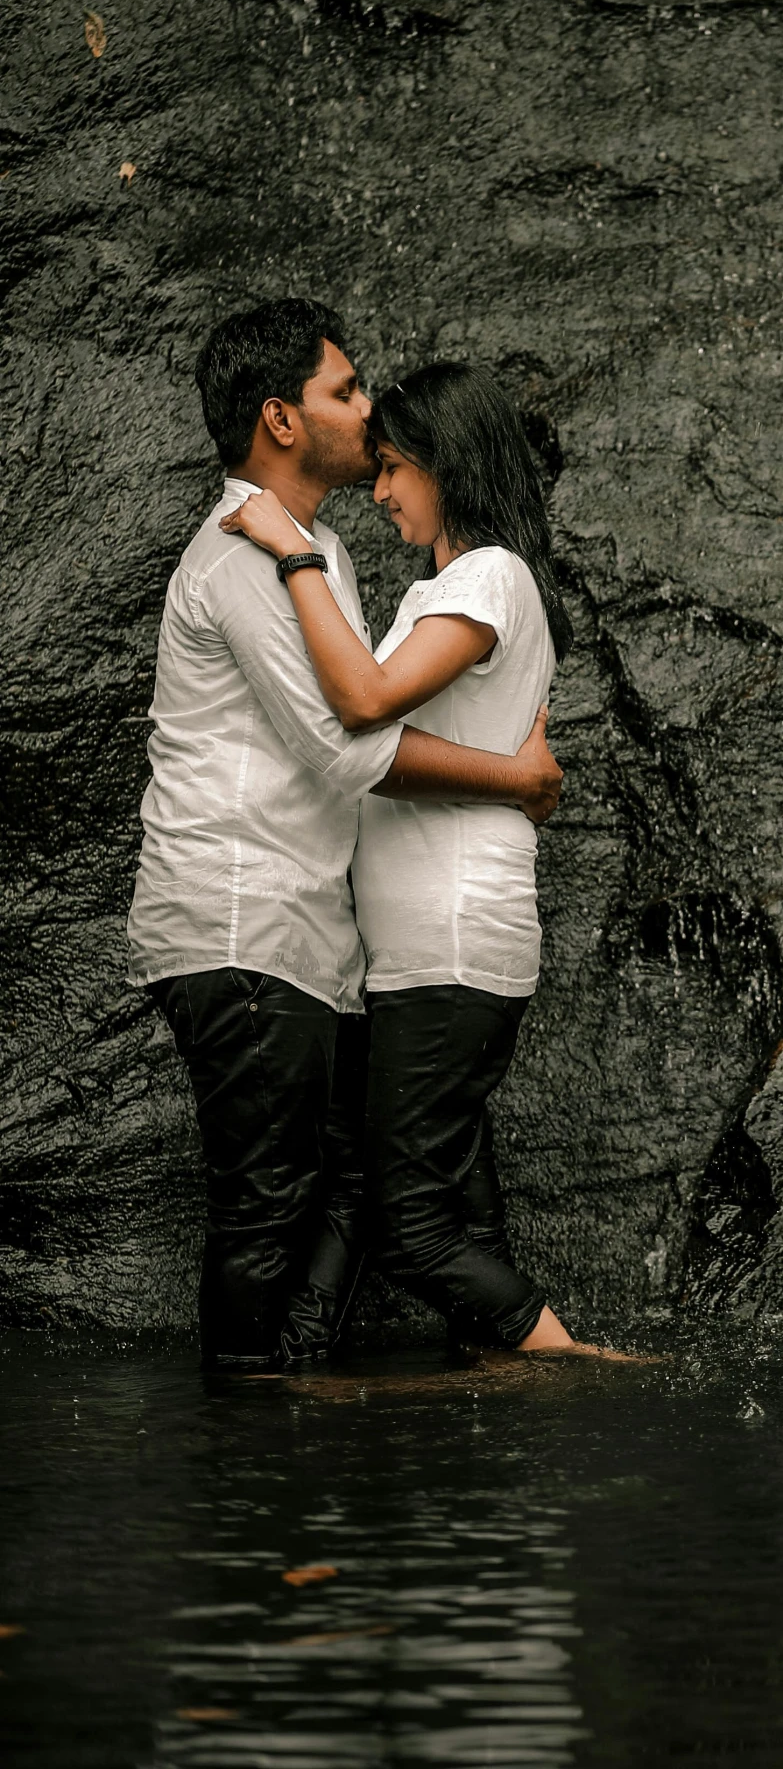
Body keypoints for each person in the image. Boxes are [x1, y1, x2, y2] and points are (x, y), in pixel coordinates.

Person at [128, 301, 562, 1374]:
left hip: (307, 939)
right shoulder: (248, 554)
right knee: (266, 1201)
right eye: (346, 390)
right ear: (280, 419)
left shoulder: (317, 552)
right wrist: (514, 774)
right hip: (240, 924)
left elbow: (378, 704)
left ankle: (297, 1407)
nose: (368, 415)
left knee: (340, 1185)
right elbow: (347, 746)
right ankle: (244, 1436)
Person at [222, 360, 609, 1357]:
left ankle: (577, 1368)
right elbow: (388, 749)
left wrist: (294, 554)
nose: (381, 488)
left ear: (445, 463)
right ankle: (498, 1393)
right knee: (443, 1210)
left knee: (410, 1225)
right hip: (430, 956)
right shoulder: (472, 585)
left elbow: (361, 715)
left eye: (393, 466)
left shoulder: (485, 577)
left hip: (449, 948)